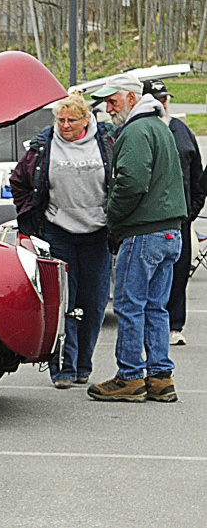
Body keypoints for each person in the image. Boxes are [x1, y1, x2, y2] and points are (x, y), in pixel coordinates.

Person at [87, 73, 186, 403]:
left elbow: (130, 183)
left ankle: (130, 376)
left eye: (113, 100)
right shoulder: (160, 126)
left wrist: (112, 218)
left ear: (132, 98)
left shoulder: (135, 130)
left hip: (144, 232)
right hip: (170, 230)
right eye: (105, 102)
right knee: (156, 307)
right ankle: (160, 377)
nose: (108, 107)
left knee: (130, 305)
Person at [9, 92, 113, 390]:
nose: (65, 125)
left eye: (71, 120)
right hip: (58, 231)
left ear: (86, 120)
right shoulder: (44, 146)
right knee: (64, 301)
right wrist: (32, 219)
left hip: (97, 233)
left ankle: (83, 365)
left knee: (92, 303)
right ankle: (62, 368)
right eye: (60, 119)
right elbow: (19, 181)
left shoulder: (105, 142)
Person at [143, 79, 206, 347]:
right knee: (148, 277)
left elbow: (197, 177)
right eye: (157, 98)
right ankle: (149, 326)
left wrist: (191, 212)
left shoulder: (182, 131)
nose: (162, 103)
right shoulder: (140, 130)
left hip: (180, 218)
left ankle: (174, 325)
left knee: (179, 273)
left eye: (165, 98)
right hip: (148, 220)